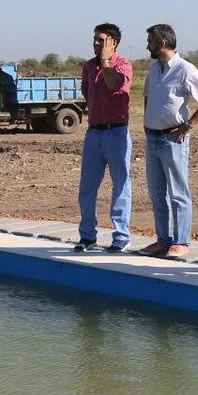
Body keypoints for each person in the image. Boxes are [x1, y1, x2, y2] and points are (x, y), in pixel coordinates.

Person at [140, 23, 198, 258]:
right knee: (156, 193)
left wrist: (190, 124)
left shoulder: (185, 69)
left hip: (173, 138)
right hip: (152, 138)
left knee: (178, 192)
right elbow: (147, 97)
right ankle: (163, 240)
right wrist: (147, 121)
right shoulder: (154, 69)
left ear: (162, 43)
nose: (147, 45)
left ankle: (181, 240)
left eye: (151, 41)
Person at [75, 23, 134, 253]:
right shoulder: (89, 66)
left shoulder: (123, 65)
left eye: (101, 40)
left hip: (116, 132)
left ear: (113, 43)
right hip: (94, 133)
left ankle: (121, 236)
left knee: (120, 185)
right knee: (87, 187)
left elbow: (114, 84)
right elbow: (87, 92)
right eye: (95, 40)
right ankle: (87, 236)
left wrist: (107, 62)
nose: (96, 44)